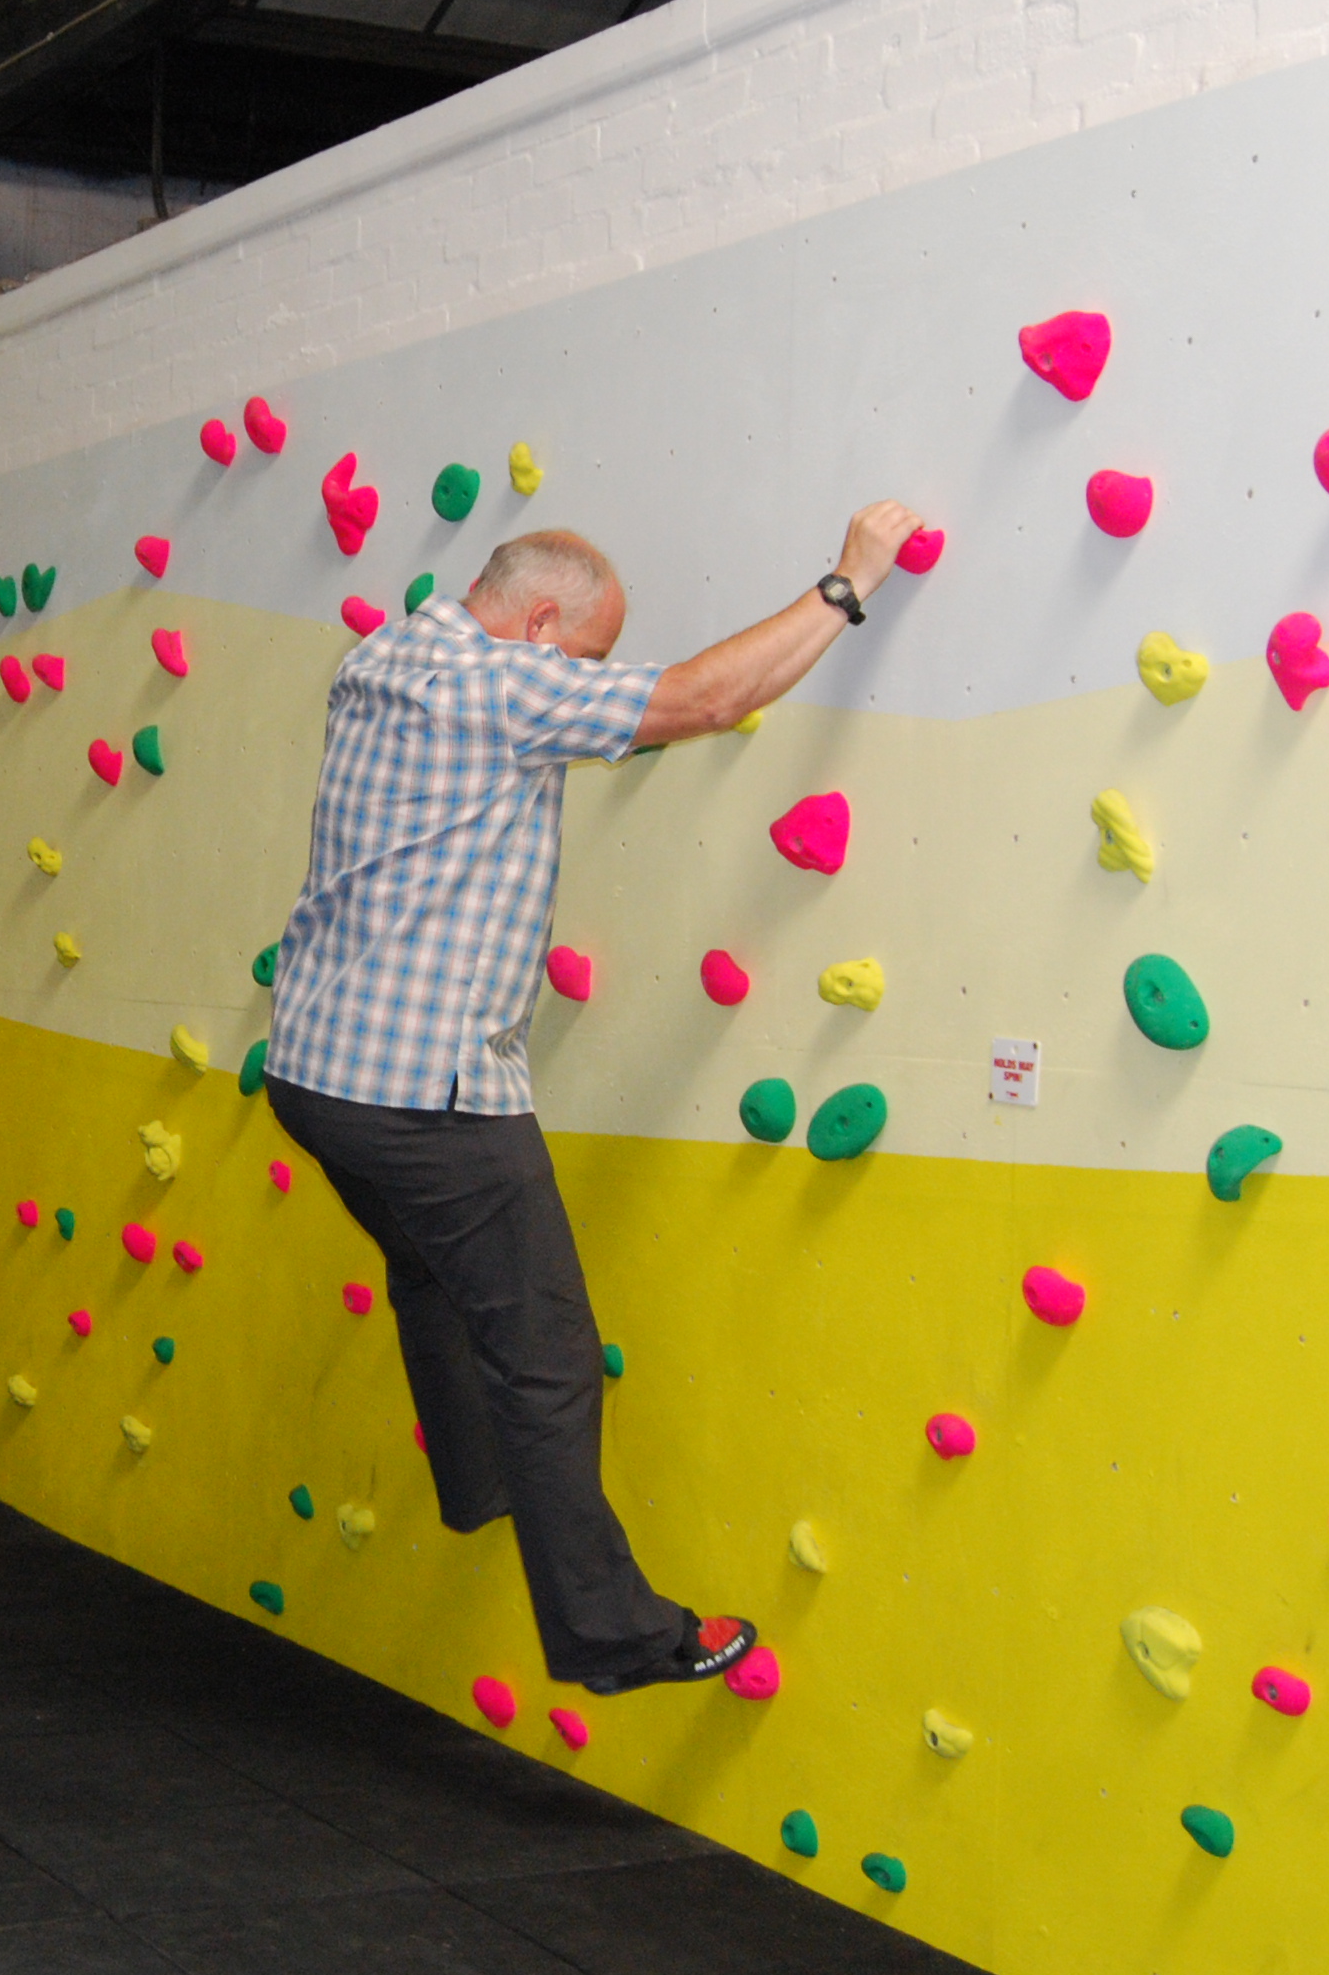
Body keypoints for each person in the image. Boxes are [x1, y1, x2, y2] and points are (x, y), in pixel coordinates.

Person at [263, 506, 921, 1695]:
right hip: (426, 1093)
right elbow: (702, 702)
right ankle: (614, 1634)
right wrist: (843, 584)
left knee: (430, 1275)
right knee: (548, 1355)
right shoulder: (495, 687)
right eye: (579, 656)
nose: (582, 681)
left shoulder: (384, 655)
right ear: (537, 622)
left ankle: (482, 1486)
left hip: (318, 1075)